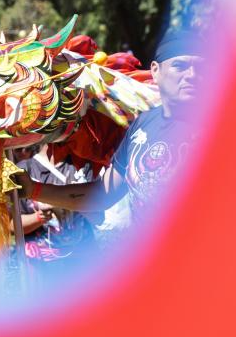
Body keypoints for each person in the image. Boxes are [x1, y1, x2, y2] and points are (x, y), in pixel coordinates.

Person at [16, 29, 201, 217]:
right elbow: (103, 194)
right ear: (155, 71)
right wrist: (34, 190)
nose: (193, 74)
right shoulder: (142, 125)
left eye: (201, 68)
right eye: (180, 66)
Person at [16, 143, 98, 270]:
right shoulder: (24, 170)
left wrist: (75, 204)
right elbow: (13, 225)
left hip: (83, 257)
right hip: (42, 264)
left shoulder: (82, 165)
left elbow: (99, 216)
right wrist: (40, 217)